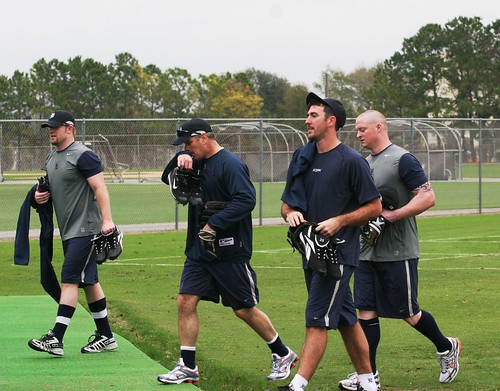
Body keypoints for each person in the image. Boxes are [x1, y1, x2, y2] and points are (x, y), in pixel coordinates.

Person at [157, 118, 298, 385]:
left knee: (244, 309)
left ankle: (283, 353)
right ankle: (188, 366)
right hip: (199, 250)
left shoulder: (230, 164)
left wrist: (215, 223)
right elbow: (168, 178)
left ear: (203, 137)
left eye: (188, 142)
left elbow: (246, 199)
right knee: (185, 301)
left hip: (230, 250)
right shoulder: (194, 158)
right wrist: (182, 155)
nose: (187, 147)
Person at [338, 110, 461, 390]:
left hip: (398, 252)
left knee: (409, 313)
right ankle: (370, 376)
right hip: (367, 253)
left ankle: (447, 347)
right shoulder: (364, 163)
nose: (357, 135)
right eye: (356, 130)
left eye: (361, 129)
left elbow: (428, 197)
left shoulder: (402, 159)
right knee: (365, 313)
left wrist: (394, 215)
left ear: (379, 128)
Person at [279, 93, 382, 391]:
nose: (307, 120)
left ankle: (297, 385)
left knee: (317, 318)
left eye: (313, 115)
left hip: (338, 256)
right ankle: (368, 382)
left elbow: (374, 207)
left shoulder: (352, 161)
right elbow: (285, 205)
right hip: (311, 253)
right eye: (308, 115)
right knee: (348, 319)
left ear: (331, 121)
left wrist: (340, 220)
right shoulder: (302, 156)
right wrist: (292, 213)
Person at [28, 110, 119, 356]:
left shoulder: (84, 155)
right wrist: (38, 196)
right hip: (69, 231)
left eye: (56, 127)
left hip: (86, 229)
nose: (51, 131)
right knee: (90, 281)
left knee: (69, 279)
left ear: (70, 128)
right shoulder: (51, 157)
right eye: (49, 128)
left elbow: (100, 188)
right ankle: (107, 336)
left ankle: (56, 338)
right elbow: (49, 186)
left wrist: (107, 220)